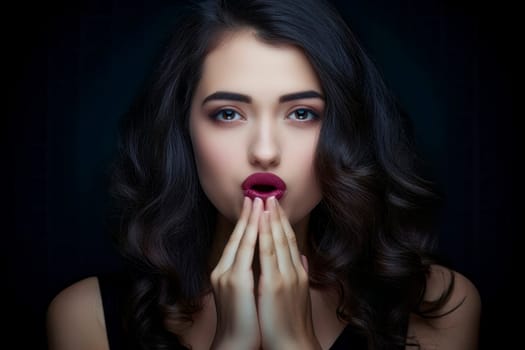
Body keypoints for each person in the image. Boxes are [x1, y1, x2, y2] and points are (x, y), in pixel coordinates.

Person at [46, 0, 481, 349]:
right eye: (229, 114)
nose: (265, 151)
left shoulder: (435, 307)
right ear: (184, 130)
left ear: (346, 130)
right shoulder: (88, 320)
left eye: (302, 113)